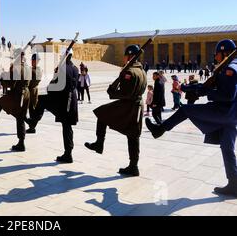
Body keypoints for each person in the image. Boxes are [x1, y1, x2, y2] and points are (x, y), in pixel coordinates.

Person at [146, 39, 237, 197]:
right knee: (227, 147)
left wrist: (207, 93)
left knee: (186, 110)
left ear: (225, 52)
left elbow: (228, 95)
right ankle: (234, 183)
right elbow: (209, 86)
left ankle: (160, 129)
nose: (215, 57)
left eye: (217, 54)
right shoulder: (227, 66)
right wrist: (190, 88)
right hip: (232, 115)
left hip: (224, 112)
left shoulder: (231, 68)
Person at [84, 45, 147, 176]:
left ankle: (99, 143)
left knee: (101, 114)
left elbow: (125, 93)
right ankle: (133, 166)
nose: (124, 58)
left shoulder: (129, 72)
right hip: (138, 105)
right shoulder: (142, 71)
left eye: (125, 56)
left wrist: (112, 92)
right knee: (133, 136)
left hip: (128, 106)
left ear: (129, 56)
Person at [26, 49, 79, 163]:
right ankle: (68, 153)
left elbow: (51, 89)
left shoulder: (62, 69)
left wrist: (55, 75)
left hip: (63, 102)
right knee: (67, 127)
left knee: (41, 101)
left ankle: (33, 121)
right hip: (72, 100)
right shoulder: (75, 69)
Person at [0, 50, 32, 151]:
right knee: (20, 117)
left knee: (0, 102)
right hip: (26, 94)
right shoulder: (27, 67)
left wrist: (3, 78)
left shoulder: (16, 68)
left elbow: (11, 83)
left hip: (18, 95)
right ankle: (21, 141)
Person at [26, 53, 43, 134]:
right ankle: (31, 127)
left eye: (34, 60)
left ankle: (32, 126)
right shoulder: (32, 69)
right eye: (32, 60)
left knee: (33, 109)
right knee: (31, 109)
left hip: (33, 91)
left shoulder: (38, 70)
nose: (32, 62)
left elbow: (32, 77)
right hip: (31, 91)